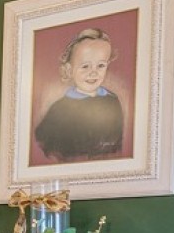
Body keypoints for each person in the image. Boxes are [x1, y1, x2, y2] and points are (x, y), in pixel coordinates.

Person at [34, 28, 126, 162]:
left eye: (100, 65)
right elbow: (45, 144)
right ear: (69, 70)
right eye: (85, 66)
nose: (93, 72)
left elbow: (117, 143)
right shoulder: (59, 109)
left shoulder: (113, 101)